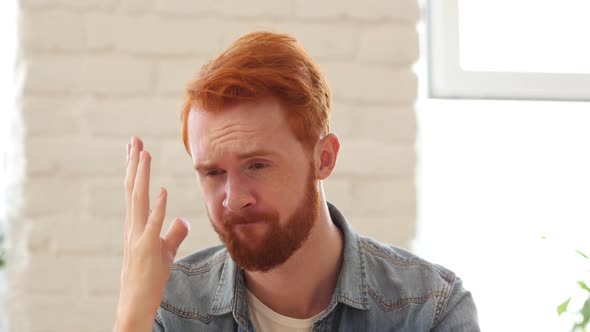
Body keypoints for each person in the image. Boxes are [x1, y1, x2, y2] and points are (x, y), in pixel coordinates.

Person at [114, 32, 480, 332]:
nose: (233, 200)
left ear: (324, 158)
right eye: (213, 172)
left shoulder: (430, 308)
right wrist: (132, 315)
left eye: (257, 165)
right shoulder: (170, 306)